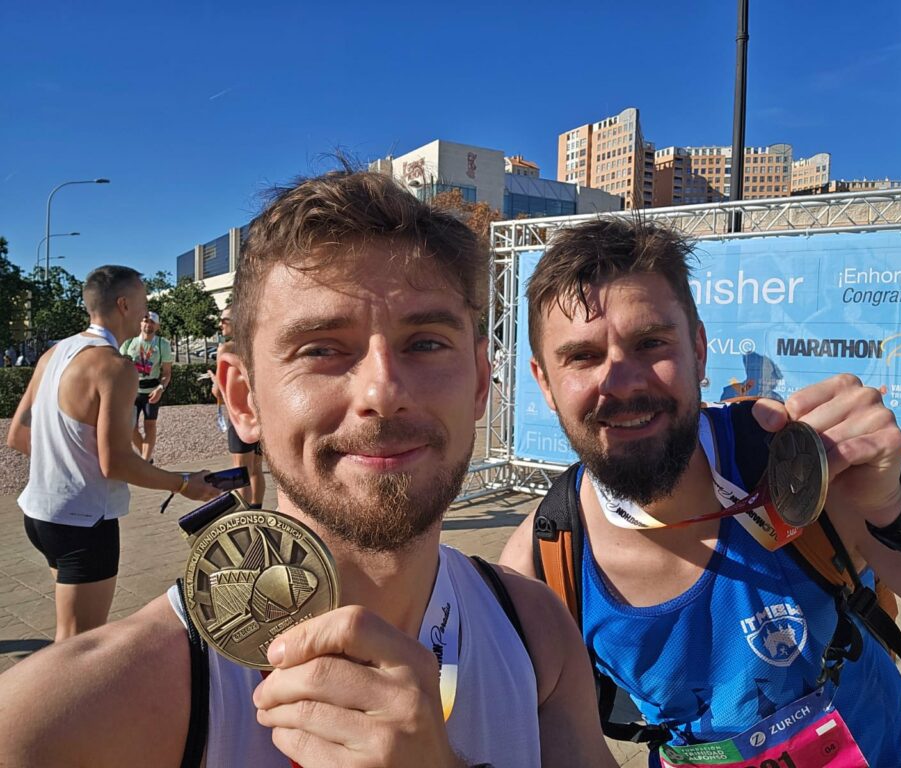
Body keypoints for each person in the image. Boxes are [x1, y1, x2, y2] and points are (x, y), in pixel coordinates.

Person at [0, 172, 615, 768]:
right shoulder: (66, 721)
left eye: (426, 342)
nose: (383, 392)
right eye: (321, 348)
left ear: (480, 381)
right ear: (242, 398)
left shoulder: (539, 634)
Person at [499, 217, 901, 767]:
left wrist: (900, 509)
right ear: (544, 383)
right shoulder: (543, 559)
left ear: (699, 351)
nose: (623, 382)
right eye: (582, 356)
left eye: (651, 343)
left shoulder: (800, 474)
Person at [5, 266, 220, 641]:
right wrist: (185, 484)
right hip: (84, 522)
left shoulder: (53, 354)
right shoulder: (116, 367)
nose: (147, 313)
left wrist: (63, 466)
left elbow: (18, 435)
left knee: (69, 636)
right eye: (144, 302)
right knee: (78, 646)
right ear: (123, 305)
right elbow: (116, 462)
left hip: (40, 515)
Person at [211, 306, 266, 508]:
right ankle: (258, 511)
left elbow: (219, 391)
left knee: (241, 470)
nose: (220, 324)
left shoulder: (226, 349)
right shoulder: (258, 344)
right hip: (260, 413)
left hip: (241, 415)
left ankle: (246, 516)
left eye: (224, 320)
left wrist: (214, 381)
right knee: (256, 468)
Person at [121, 310, 174, 462]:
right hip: (132, 390)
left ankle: (145, 461)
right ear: (140, 323)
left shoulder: (162, 344)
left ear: (157, 326)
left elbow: (167, 373)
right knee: (130, 428)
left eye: (152, 322)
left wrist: (160, 388)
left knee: (150, 425)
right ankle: (147, 460)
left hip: (152, 390)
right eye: (145, 320)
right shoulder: (129, 342)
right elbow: (120, 366)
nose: (148, 324)